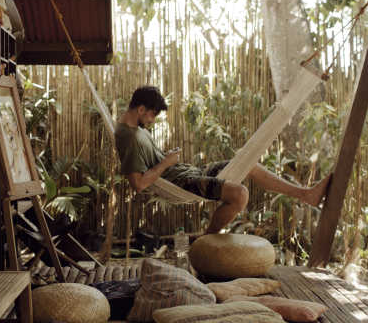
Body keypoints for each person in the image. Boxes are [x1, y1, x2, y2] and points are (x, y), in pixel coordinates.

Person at [114, 86, 331, 234]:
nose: (152, 121)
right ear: (141, 109)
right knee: (240, 195)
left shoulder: (134, 128)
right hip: (180, 183)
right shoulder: (130, 138)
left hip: (190, 173)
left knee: (250, 164)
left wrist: (167, 159)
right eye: (152, 115)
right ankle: (207, 239)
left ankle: (306, 195)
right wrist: (167, 163)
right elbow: (139, 184)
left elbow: (149, 159)